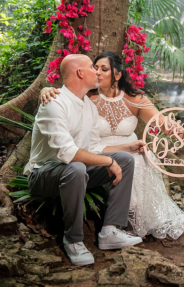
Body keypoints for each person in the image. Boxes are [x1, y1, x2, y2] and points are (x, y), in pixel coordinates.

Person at [39, 51, 184, 239]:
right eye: (95, 68)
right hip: (98, 150)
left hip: (130, 147)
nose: (97, 72)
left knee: (141, 158)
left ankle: (143, 219)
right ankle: (121, 223)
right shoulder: (87, 99)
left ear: (117, 74)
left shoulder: (135, 99)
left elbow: (165, 124)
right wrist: (45, 89)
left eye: (104, 69)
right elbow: (66, 96)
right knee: (128, 160)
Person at [24, 54, 145, 266]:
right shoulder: (53, 102)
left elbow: (92, 147)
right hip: (43, 175)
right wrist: (107, 162)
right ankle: (73, 240)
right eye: (92, 67)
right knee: (77, 167)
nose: (97, 72)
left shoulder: (88, 105)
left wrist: (125, 148)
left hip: (76, 170)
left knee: (125, 159)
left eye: (100, 68)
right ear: (80, 73)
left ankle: (110, 231)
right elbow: (67, 153)